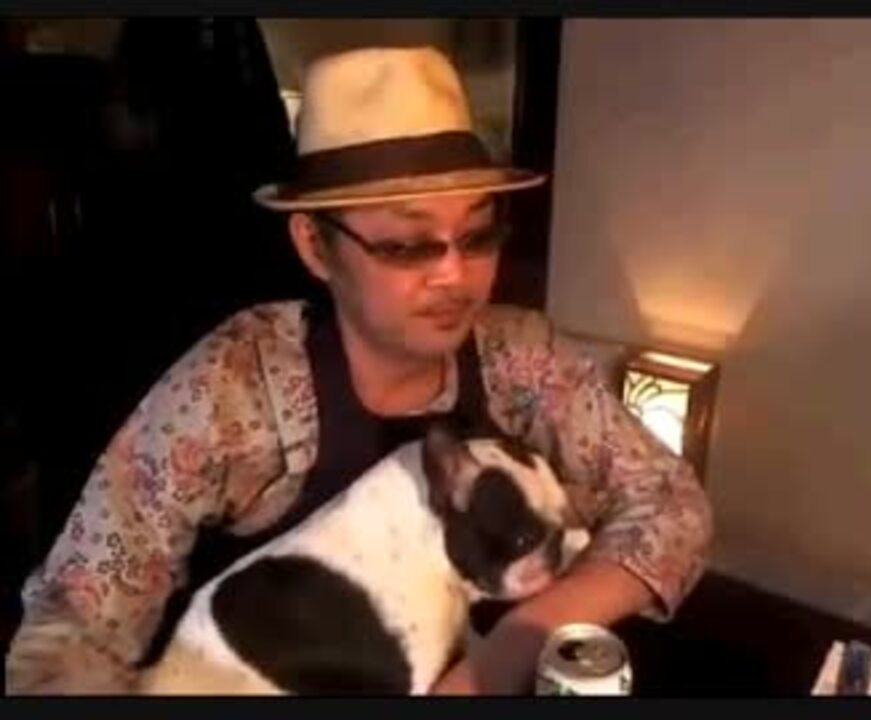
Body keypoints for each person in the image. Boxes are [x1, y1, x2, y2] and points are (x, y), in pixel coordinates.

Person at [4, 46, 713, 695]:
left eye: (477, 234)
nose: (455, 274)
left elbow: (673, 506)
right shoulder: (233, 386)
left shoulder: (522, 356)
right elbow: (72, 625)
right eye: (407, 245)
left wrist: (507, 651)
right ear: (315, 246)